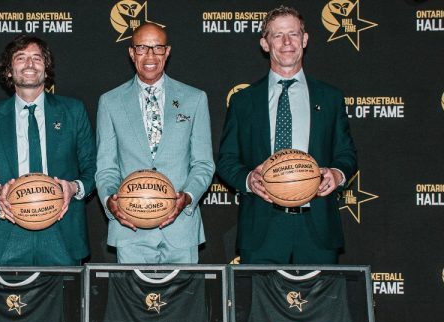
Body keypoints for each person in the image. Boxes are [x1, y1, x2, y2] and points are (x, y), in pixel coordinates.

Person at [216, 5, 357, 264]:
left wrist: (337, 174)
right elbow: (226, 159)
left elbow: (346, 153)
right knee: (260, 305)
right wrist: (249, 179)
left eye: (293, 34)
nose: (286, 42)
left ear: (304, 39)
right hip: (262, 225)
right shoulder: (243, 101)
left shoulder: (330, 97)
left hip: (317, 227)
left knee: (321, 304)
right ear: (265, 44)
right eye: (277, 35)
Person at [96, 23, 214, 264]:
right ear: (131, 52)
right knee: (134, 302)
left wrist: (187, 198)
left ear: (167, 51)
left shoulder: (195, 99)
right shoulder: (110, 102)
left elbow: (203, 163)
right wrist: (111, 201)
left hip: (181, 229)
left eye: (157, 48)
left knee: (183, 301)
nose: (150, 56)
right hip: (131, 229)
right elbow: (106, 167)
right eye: (142, 48)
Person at [0, 35, 96, 265]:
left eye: (37, 58)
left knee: (64, 301)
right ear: (9, 71)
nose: (29, 64)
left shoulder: (73, 111)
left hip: (62, 226)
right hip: (9, 228)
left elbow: (92, 168)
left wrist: (73, 187)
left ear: (46, 70)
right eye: (21, 58)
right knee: (10, 302)